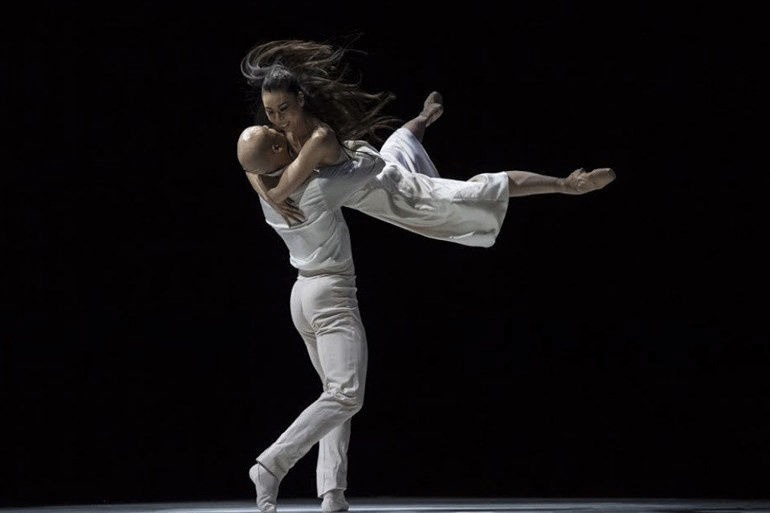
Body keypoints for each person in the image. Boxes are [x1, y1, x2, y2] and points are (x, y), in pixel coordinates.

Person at [237, 39, 615, 513]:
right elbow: (258, 166)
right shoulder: (285, 147)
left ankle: (565, 184)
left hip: (394, 201)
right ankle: (300, 477)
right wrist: (262, 178)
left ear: (300, 101)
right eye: (270, 113)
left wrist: (263, 185)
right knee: (341, 394)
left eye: (283, 110)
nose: (276, 120)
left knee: (472, 190)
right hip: (343, 253)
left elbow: (272, 178)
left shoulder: (312, 144)